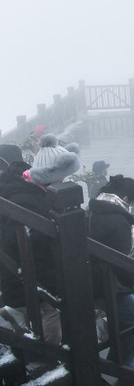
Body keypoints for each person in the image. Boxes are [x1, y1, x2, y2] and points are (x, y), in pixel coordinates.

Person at [0, 134, 81, 345]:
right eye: (62, 177)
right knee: (52, 312)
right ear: (50, 176)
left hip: (27, 272)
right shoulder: (27, 201)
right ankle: (49, 357)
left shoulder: (27, 192)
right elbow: (20, 243)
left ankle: (16, 317)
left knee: (45, 310)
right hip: (30, 274)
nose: (65, 181)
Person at [88, 175, 134, 369]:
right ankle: (122, 363)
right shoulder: (119, 220)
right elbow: (121, 260)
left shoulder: (95, 210)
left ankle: (118, 358)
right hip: (107, 282)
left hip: (94, 276)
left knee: (128, 316)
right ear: (126, 199)